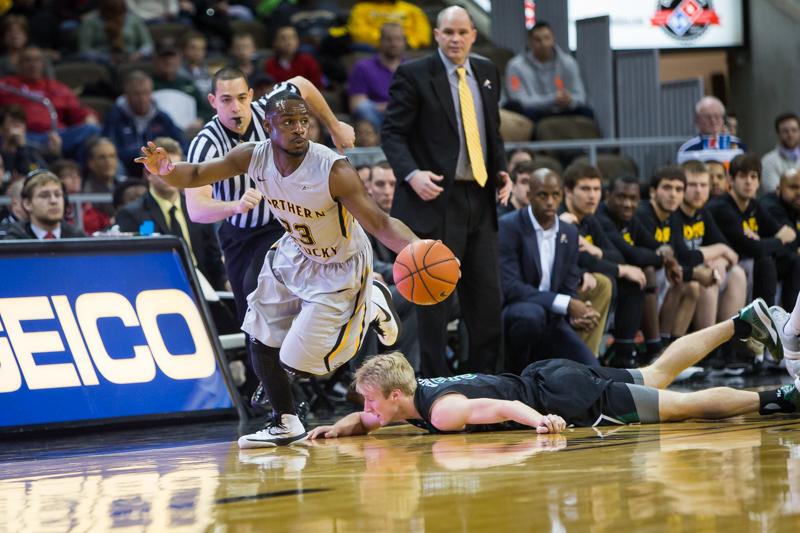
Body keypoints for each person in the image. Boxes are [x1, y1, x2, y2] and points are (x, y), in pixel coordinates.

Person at [136, 89, 420, 448]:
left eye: (305, 121)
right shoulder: (252, 156)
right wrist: (167, 170)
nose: (299, 128)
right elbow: (196, 175)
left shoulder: (333, 169)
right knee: (258, 333)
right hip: (294, 253)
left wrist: (419, 248)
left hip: (339, 265)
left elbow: (379, 222)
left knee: (306, 362)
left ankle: (372, 305)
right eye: (288, 121)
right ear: (268, 125)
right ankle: (285, 421)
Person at [308, 298, 800, 438]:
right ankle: (740, 323)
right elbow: (368, 419)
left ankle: (778, 399)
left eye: (371, 400)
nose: (367, 408)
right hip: (550, 374)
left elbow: (495, 405)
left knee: (679, 409)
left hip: (559, 399)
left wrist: (538, 421)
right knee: (654, 374)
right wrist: (339, 425)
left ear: (396, 396)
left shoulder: (440, 413)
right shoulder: (412, 389)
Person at [381, 6, 512, 377]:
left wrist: (502, 170)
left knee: (486, 299)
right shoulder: (414, 74)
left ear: (473, 34)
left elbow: (493, 130)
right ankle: (432, 386)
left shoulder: (486, 71)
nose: (455, 39)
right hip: (433, 199)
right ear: (436, 35)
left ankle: (487, 383)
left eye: (462, 32)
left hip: (480, 199)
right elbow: (392, 133)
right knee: (433, 302)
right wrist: (410, 174)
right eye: (448, 32)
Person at [185, 68, 354, 327]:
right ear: (212, 101)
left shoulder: (268, 110)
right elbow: (196, 209)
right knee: (250, 314)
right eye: (226, 100)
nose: (236, 107)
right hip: (242, 234)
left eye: (242, 98)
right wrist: (236, 206)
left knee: (288, 291)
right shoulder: (206, 143)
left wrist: (334, 125)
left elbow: (301, 83)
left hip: (287, 223)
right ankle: (263, 364)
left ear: (251, 95)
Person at [499, 168, 600, 372]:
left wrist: (577, 314)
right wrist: (567, 304)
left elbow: (568, 285)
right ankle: (515, 377)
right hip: (518, 311)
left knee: (592, 370)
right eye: (542, 195)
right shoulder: (508, 226)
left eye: (555, 195)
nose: (550, 202)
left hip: (554, 319)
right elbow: (511, 287)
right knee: (531, 315)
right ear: (528, 196)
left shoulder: (569, 232)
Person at [116, 136, 228, 290]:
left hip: (206, 291)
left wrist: (228, 285)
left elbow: (214, 261)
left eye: (174, 169)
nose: (169, 175)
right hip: (158, 289)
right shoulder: (130, 214)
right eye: (162, 168)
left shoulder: (197, 206)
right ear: (148, 174)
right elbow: (134, 266)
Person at [559, 162, 646, 360]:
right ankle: (585, 358)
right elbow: (580, 259)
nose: (592, 195)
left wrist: (594, 249)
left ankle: (623, 355)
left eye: (596, 189)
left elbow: (615, 255)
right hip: (564, 286)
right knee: (604, 281)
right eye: (585, 189)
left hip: (582, 282)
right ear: (568, 191)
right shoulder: (561, 218)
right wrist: (620, 269)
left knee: (634, 281)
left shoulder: (589, 218)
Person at [707, 153, 799, 310]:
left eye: (753, 176)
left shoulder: (754, 205)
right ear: (731, 180)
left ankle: (792, 323)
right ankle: (764, 324)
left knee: (794, 260)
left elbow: (791, 236)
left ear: (758, 182)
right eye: (743, 176)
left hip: (747, 260)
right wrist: (776, 240)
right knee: (765, 261)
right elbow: (755, 248)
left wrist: (763, 242)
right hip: (725, 264)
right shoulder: (721, 207)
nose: (748, 181)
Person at [677, 160, 745, 332]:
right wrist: (720, 251)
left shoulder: (703, 212)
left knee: (736, 273)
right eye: (692, 185)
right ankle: (708, 349)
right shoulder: (674, 214)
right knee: (709, 277)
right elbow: (684, 257)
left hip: (694, 270)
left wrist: (721, 259)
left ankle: (729, 343)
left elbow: (731, 251)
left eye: (703, 185)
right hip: (677, 276)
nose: (698, 190)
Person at [0, 46, 101, 161]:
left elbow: (77, 110)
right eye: (28, 60)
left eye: (37, 60)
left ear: (43, 64)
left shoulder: (57, 87)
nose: (33, 65)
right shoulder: (7, 85)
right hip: (24, 135)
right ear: (18, 64)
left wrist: (88, 116)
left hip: (57, 135)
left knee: (92, 129)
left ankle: (77, 176)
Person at [503, 21, 593, 123]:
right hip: (533, 112)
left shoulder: (568, 63)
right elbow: (518, 100)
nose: (543, 44)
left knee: (587, 112)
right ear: (530, 42)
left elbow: (580, 96)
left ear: (553, 39)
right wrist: (552, 99)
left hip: (564, 109)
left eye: (547, 38)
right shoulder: (515, 66)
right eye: (538, 40)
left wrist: (570, 100)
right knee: (513, 108)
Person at [102, 70, 187, 177]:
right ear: (127, 94)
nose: (142, 98)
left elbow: (182, 145)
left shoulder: (161, 117)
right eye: (137, 94)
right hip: (128, 170)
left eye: (146, 93)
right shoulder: (114, 117)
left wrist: (165, 155)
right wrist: (140, 155)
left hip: (160, 169)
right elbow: (109, 149)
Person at [348, 22, 406, 129]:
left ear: (404, 42)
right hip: (377, 118)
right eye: (389, 39)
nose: (393, 43)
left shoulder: (411, 67)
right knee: (365, 108)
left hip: (405, 116)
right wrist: (391, 107)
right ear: (380, 41)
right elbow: (356, 104)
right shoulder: (363, 67)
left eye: (398, 39)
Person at [3, 169, 86, 240]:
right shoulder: (13, 241)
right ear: (27, 204)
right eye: (44, 196)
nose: (53, 201)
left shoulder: (79, 238)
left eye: (57, 195)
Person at [677, 96, 746, 165]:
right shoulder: (688, 149)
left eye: (717, 116)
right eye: (707, 117)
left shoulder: (737, 144)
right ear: (697, 120)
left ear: (723, 119)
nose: (713, 120)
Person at [347, 0, 431, 50]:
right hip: (373, 51)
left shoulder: (412, 10)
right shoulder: (360, 9)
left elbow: (423, 36)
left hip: (408, 51)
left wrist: (408, 42)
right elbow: (358, 32)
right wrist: (386, 41)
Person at [761, 112, 800, 194]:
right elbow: (775, 192)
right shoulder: (768, 161)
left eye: (794, 130)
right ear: (778, 134)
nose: (790, 135)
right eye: (785, 131)